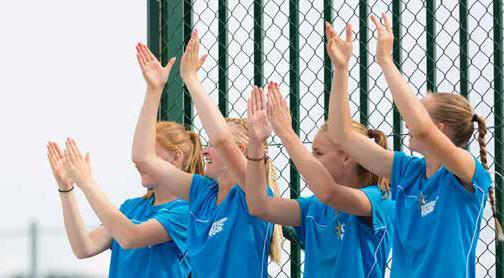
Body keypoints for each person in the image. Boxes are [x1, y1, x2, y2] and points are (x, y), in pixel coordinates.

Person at [326, 13, 501, 277]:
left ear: (440, 129)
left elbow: (422, 128)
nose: (407, 120)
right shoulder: (409, 172)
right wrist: (341, 70)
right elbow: (341, 136)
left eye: (417, 111)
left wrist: (385, 61)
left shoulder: (467, 171)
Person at [130, 36, 281, 277]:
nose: (206, 150)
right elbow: (143, 157)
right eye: (207, 145)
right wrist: (154, 89)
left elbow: (222, 139)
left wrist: (191, 79)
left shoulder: (251, 192)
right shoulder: (202, 192)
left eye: (214, 146)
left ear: (240, 152)